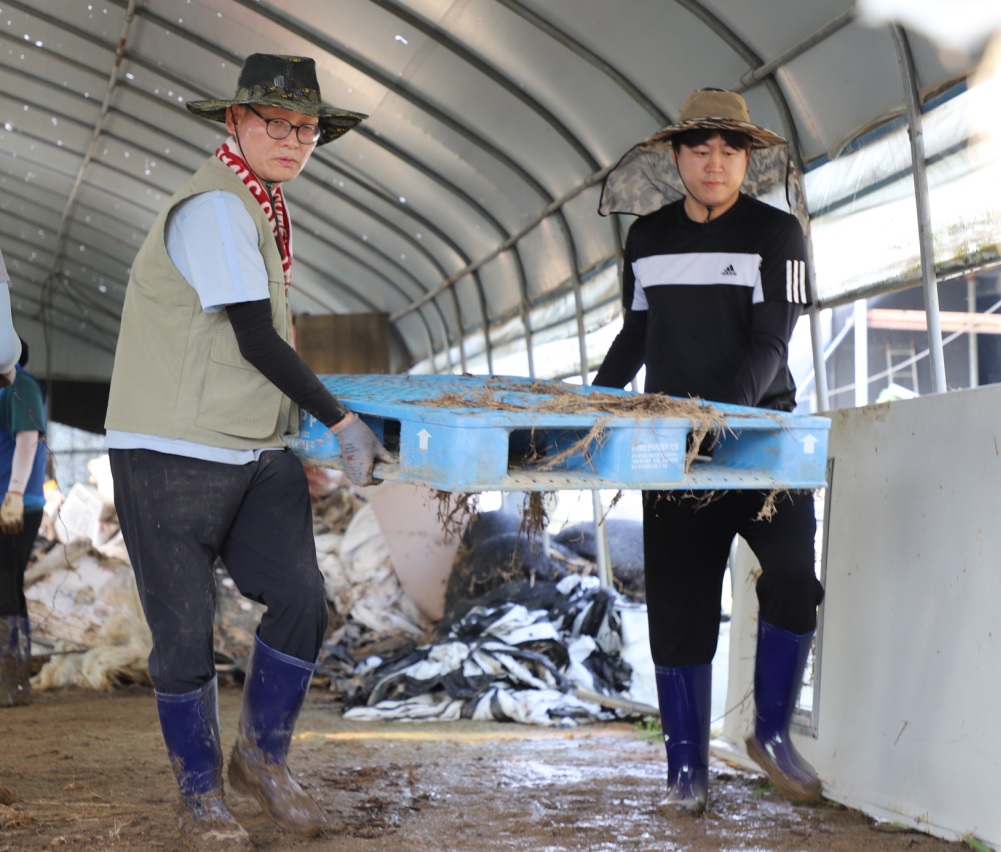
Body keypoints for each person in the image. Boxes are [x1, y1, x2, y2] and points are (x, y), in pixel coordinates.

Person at [104, 54, 391, 848]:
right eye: (276, 123)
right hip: (169, 448)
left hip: (249, 446)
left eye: (306, 128)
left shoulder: (264, 205)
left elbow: (275, 335)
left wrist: (295, 434)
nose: (294, 139)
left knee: (303, 596)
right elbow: (257, 336)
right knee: (185, 629)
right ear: (234, 121)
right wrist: (338, 421)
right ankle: (198, 795)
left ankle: (261, 760)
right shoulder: (215, 208)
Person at [593, 88, 825, 812]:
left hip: (761, 439)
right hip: (669, 448)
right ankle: (685, 774)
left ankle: (772, 735)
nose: (714, 161)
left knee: (792, 576)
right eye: (700, 149)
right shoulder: (647, 238)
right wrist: (593, 408)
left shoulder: (777, 233)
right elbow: (635, 338)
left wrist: (721, 416)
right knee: (678, 605)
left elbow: (770, 343)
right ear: (675, 156)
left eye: (730, 149)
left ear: (747, 159)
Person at [0, 332, 47, 708]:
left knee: (3, 582)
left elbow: (28, 440)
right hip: (7, 502)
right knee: (7, 583)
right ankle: (12, 679)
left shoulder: (21, 384)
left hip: (17, 505)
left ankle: (10, 681)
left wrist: (14, 494)